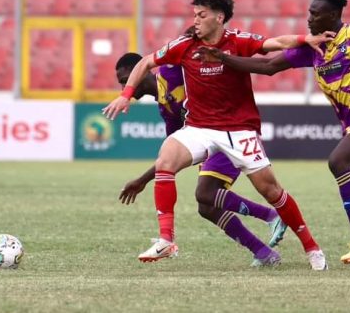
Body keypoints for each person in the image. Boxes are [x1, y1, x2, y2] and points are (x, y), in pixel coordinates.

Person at [197, 0, 350, 270]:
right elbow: (268, 66)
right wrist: (224, 58)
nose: (310, 19)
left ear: (334, 14)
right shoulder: (313, 50)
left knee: (338, 161)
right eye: (309, 12)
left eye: (316, 14)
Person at [103, 0, 332, 270]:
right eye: (194, 15)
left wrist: (304, 39)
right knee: (167, 161)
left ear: (219, 17)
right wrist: (125, 96)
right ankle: (166, 240)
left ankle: (312, 248)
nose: (195, 20)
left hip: (239, 130)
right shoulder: (183, 46)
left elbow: (274, 43)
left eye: (202, 15)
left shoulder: (237, 41)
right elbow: (147, 61)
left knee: (270, 190)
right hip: (200, 128)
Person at [115, 52, 287, 266]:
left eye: (125, 81)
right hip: (210, 142)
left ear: (139, 71)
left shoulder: (171, 69)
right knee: (206, 207)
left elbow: (190, 47)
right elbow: (173, 154)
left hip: (227, 130)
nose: (125, 89)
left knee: (205, 193)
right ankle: (264, 253)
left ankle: (271, 216)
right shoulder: (165, 107)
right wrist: (142, 180)